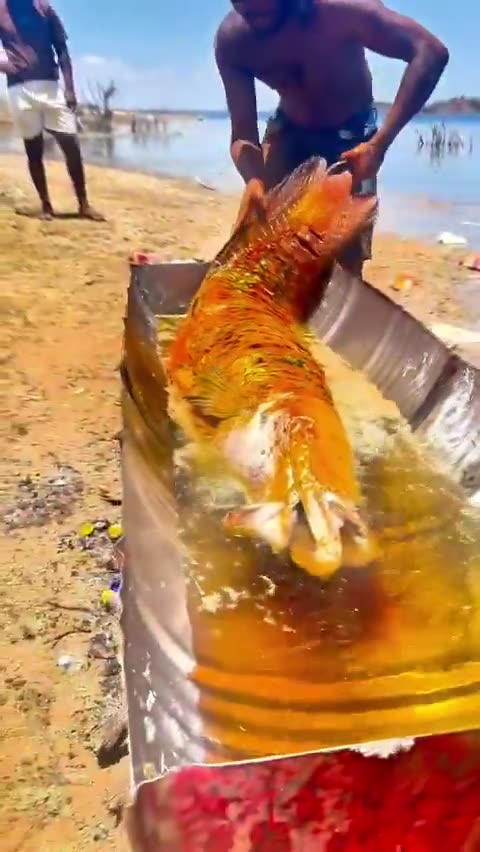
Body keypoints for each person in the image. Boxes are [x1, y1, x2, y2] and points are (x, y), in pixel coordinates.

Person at [215, 0, 449, 273]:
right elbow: (242, 133)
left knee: (345, 258)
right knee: (261, 243)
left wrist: (379, 144)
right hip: (289, 130)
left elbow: (430, 51)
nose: (251, 7)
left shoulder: (339, 10)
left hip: (354, 139)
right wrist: (254, 180)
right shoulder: (234, 40)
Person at [0, 0, 103, 220]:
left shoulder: (43, 8)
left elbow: (62, 48)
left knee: (71, 145)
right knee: (33, 150)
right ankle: (46, 207)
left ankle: (83, 205)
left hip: (51, 87)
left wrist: (70, 88)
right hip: (19, 90)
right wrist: (4, 65)